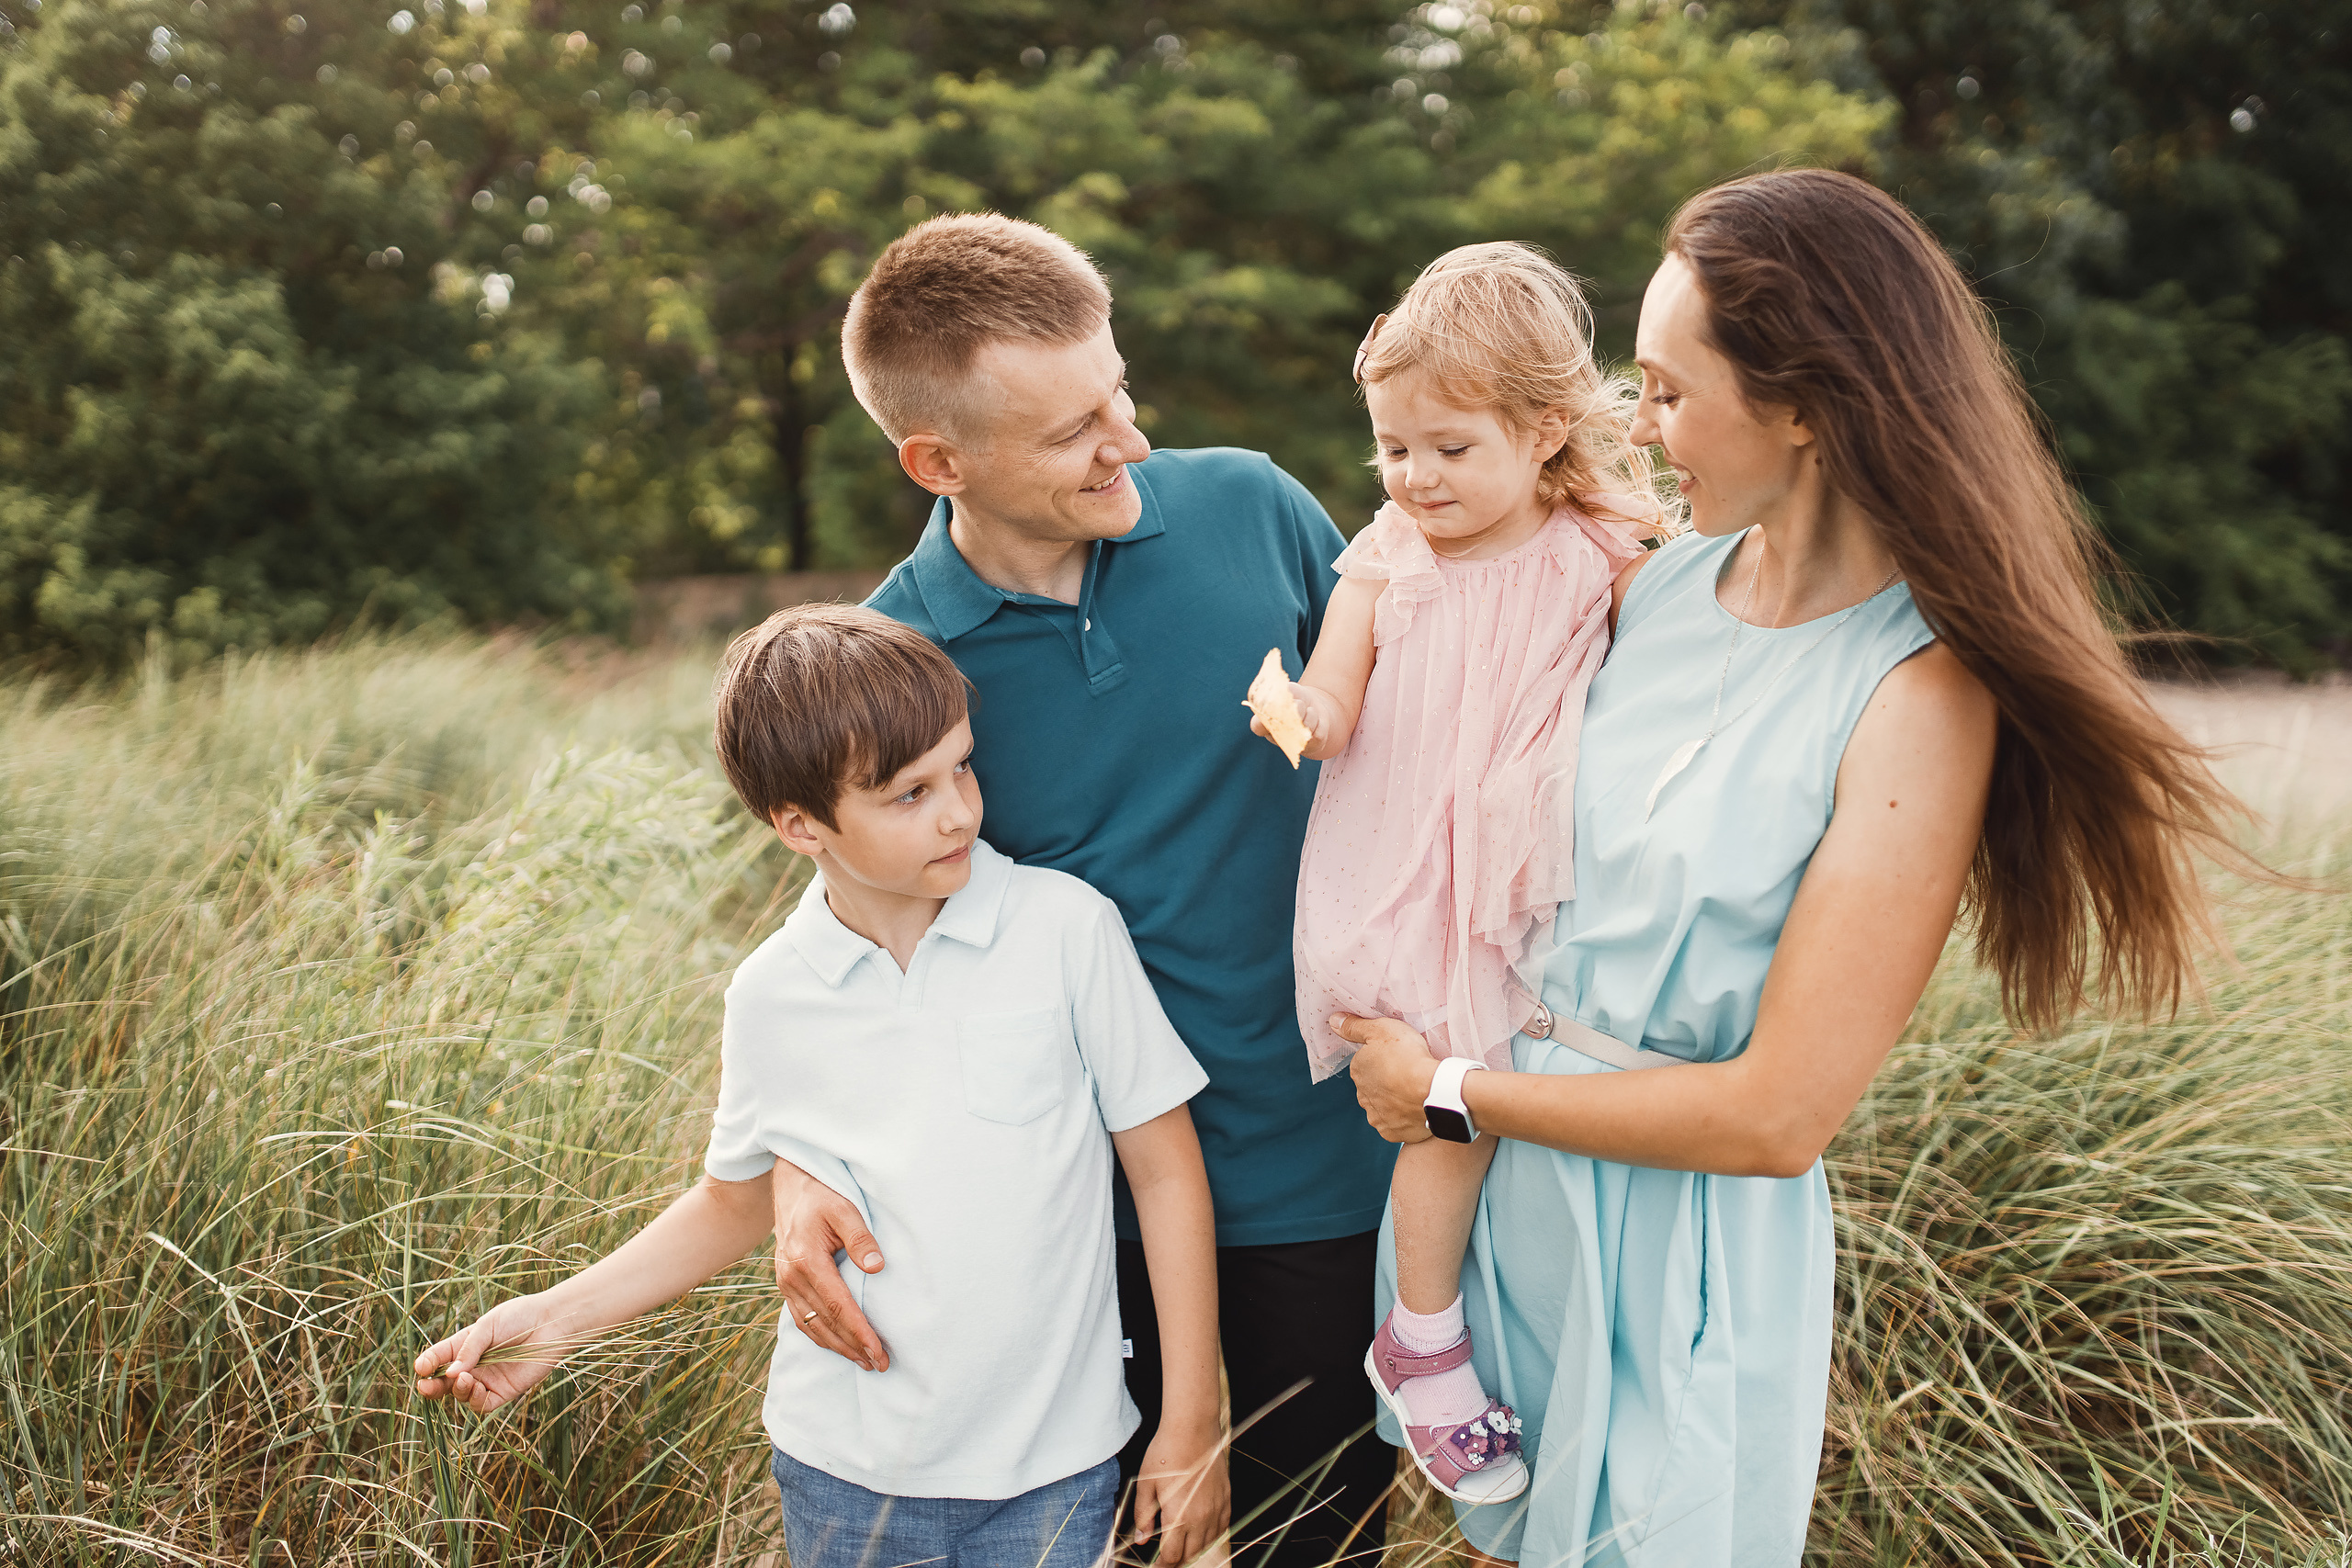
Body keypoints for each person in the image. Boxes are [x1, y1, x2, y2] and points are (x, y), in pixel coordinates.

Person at [1334, 168, 2246, 1566]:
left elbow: (1778, 1116)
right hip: (1509, 1201)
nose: (1638, 429)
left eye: (1667, 391)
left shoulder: (1919, 694)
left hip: (1678, 1229)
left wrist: (1445, 1088)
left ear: (1811, 404)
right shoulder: (1645, 585)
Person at [765, 213, 1400, 1565]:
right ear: (938, 461)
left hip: (1323, 1168)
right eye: (1069, 430)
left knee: (1317, 1547)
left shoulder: (1252, 506)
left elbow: (1421, 732)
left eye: (1117, 390)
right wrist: (796, 1165)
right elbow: (851, 929)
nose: (1125, 438)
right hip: (1064, 1222)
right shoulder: (899, 655)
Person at [412, 604, 1229, 1568]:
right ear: (800, 825)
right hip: (841, 1474)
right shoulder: (771, 993)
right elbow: (731, 1202)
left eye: (960, 767)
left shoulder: (1067, 932)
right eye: (907, 793)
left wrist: (1190, 1422)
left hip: (1057, 1475)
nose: (958, 809)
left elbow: (1166, 1172)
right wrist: (550, 1320)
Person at [1249, 243, 1658, 1506]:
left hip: (1532, 879)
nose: (1415, 476)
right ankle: (1422, 1334)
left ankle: (1528, 1348)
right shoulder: (1390, 552)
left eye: (1447, 448)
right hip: (1403, 878)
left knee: (1528, 1111)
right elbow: (1339, 687)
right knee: (1452, 1107)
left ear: (1543, 432)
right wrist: (1297, 714)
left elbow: (1672, 674)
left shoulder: (1606, 545)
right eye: (1393, 447)